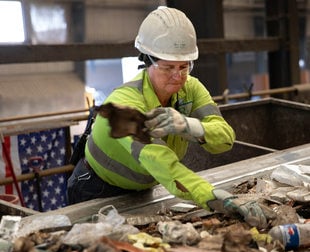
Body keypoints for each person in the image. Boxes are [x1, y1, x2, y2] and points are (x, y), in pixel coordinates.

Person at [67, 6, 273, 229]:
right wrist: (215, 197)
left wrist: (190, 126)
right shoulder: (124, 106)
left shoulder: (191, 88)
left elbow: (225, 138)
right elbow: (162, 163)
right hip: (95, 190)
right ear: (147, 61)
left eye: (184, 66)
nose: (178, 76)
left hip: (142, 189)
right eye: (167, 68)